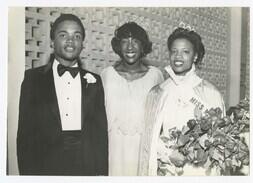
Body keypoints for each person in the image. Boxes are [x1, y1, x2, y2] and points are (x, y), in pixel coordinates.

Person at [17, 13, 108, 175]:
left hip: (85, 165)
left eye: (77, 36)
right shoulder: (33, 79)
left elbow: (100, 135)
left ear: (82, 44)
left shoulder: (95, 81)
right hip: (46, 164)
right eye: (63, 35)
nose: (71, 41)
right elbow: (25, 136)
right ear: (52, 42)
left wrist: (101, 174)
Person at [138, 24, 226, 176]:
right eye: (174, 51)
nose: (178, 57)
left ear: (195, 56)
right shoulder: (157, 93)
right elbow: (148, 137)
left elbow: (220, 138)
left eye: (185, 52)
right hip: (167, 169)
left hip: (199, 171)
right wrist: (168, 153)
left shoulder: (211, 93)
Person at [100, 22, 164, 176]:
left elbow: (161, 120)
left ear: (143, 47)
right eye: (124, 41)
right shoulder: (106, 75)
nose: (130, 47)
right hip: (113, 151)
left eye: (135, 41)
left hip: (143, 149)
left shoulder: (155, 76)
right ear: (117, 46)